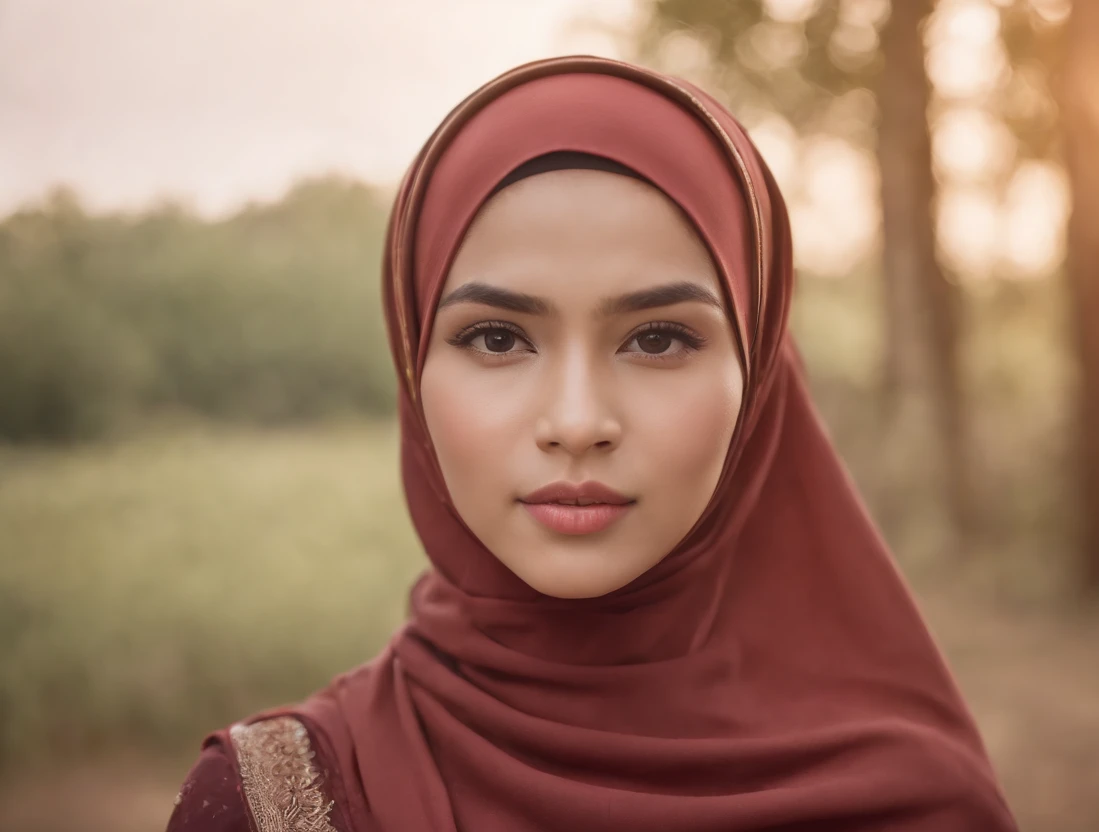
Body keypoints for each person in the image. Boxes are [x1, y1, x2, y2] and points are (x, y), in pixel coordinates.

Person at [166, 55, 1018, 832]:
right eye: (498, 338)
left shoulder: (919, 806)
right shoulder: (268, 807)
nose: (576, 422)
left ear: (756, 380)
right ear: (413, 365)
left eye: (657, 339)